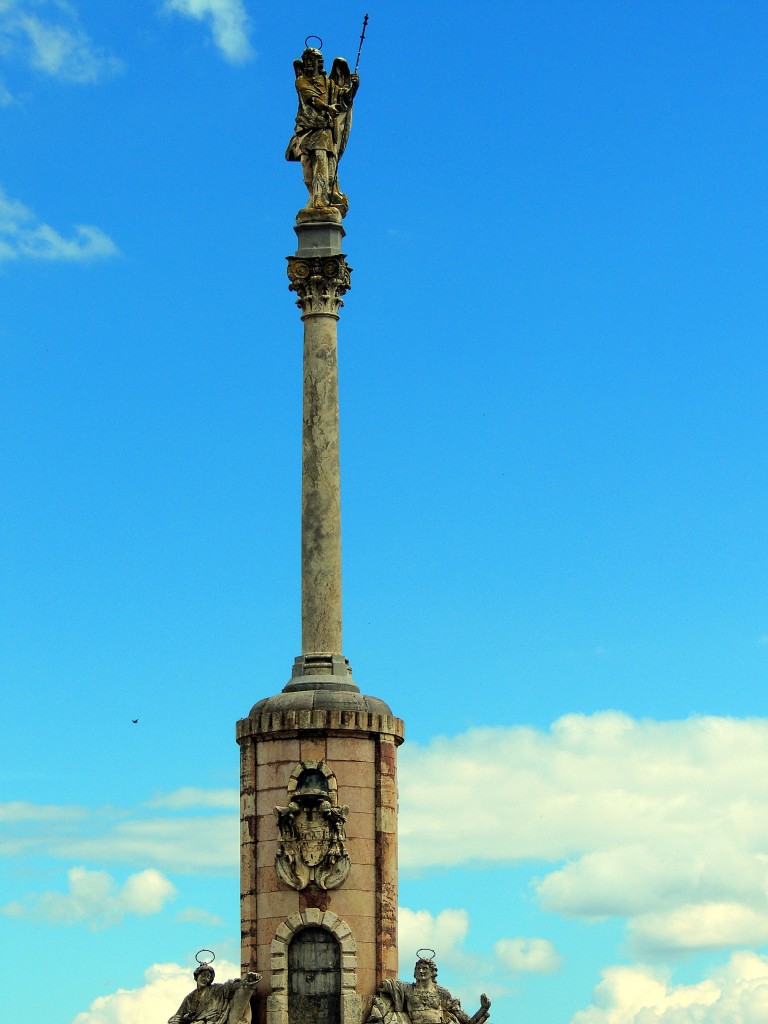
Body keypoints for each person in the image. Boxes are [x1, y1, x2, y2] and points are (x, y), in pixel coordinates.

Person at [286, 47, 359, 217]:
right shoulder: (302, 81)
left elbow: (344, 99)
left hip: (324, 130)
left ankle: (320, 200)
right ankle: (314, 198)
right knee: (307, 169)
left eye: (312, 60)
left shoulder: (330, 84)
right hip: (306, 129)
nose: (309, 64)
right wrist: (327, 108)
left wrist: (354, 87)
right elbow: (311, 99)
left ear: (319, 63)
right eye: (307, 60)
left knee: (321, 161)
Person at [368, 955, 490, 1024]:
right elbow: (386, 984)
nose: (421, 971)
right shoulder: (407, 989)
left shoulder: (441, 992)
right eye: (418, 968)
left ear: (432, 972)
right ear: (414, 972)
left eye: (425, 968)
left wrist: (483, 1008)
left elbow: (466, 1020)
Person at [168, 963, 261, 1024]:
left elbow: (230, 986)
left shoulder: (217, 989)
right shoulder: (189, 998)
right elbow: (178, 1016)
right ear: (197, 977)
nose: (205, 979)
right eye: (203, 975)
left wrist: (247, 980)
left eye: (208, 976)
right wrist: (183, 1018)